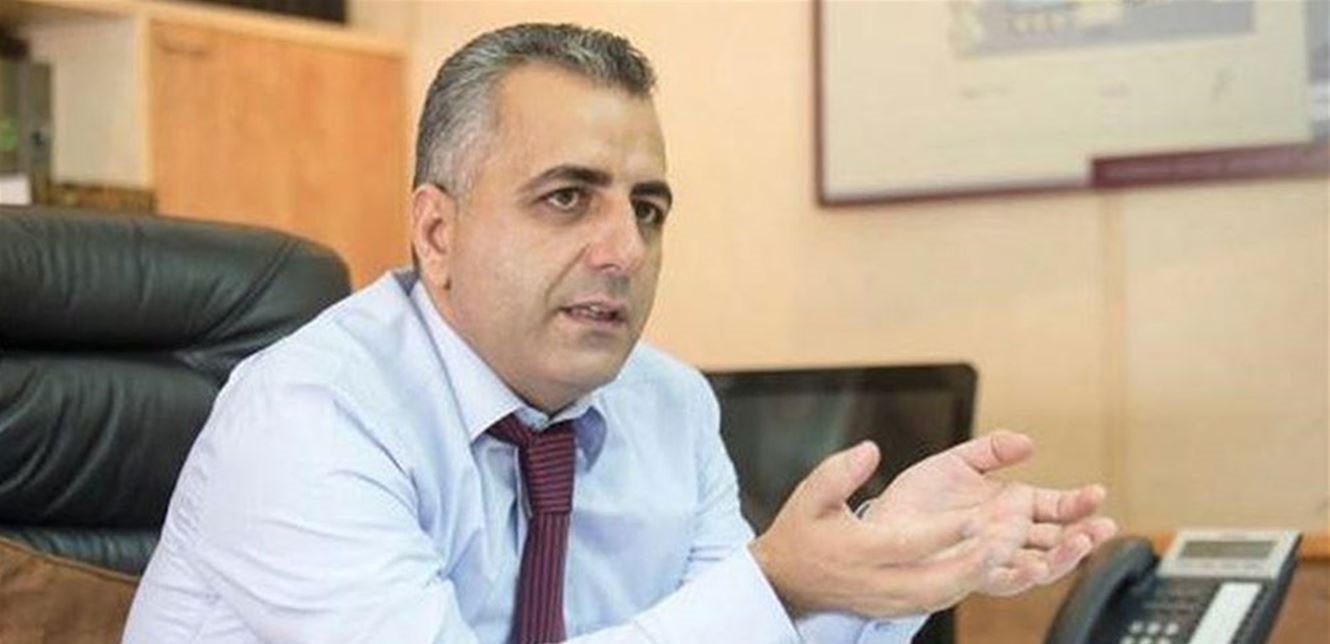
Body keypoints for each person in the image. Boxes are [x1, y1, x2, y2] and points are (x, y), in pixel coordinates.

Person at [122, 23, 1117, 643]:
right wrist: (773, 578)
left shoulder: (665, 403)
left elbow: (738, 631)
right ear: (437, 231)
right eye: (567, 197)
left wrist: (888, 563)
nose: (625, 250)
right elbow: (746, 605)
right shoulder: (309, 415)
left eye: (648, 208)